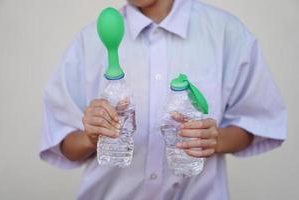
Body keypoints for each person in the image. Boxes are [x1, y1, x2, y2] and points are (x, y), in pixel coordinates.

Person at [39, 0, 287, 199]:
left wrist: (216, 139)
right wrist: (91, 137)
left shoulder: (225, 32)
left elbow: (258, 122)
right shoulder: (90, 40)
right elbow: (64, 144)